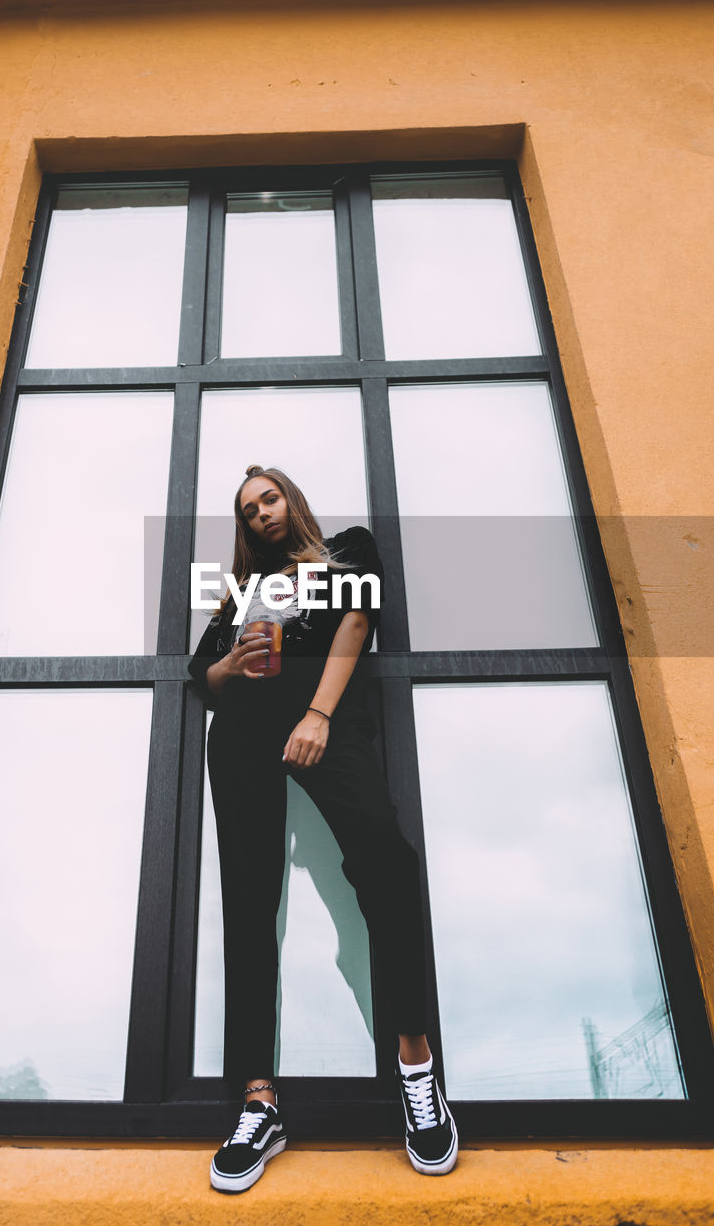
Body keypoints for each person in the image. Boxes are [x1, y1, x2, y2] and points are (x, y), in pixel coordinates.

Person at [188, 465, 458, 1193]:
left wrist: (319, 714)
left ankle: (415, 1066)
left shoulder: (346, 553)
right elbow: (198, 679)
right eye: (247, 511)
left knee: (386, 863)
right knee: (248, 904)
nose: (260, 514)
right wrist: (231, 663)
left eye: (268, 499)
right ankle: (258, 1101)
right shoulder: (243, 593)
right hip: (242, 735)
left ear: (291, 499)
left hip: (324, 724)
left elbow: (356, 627)